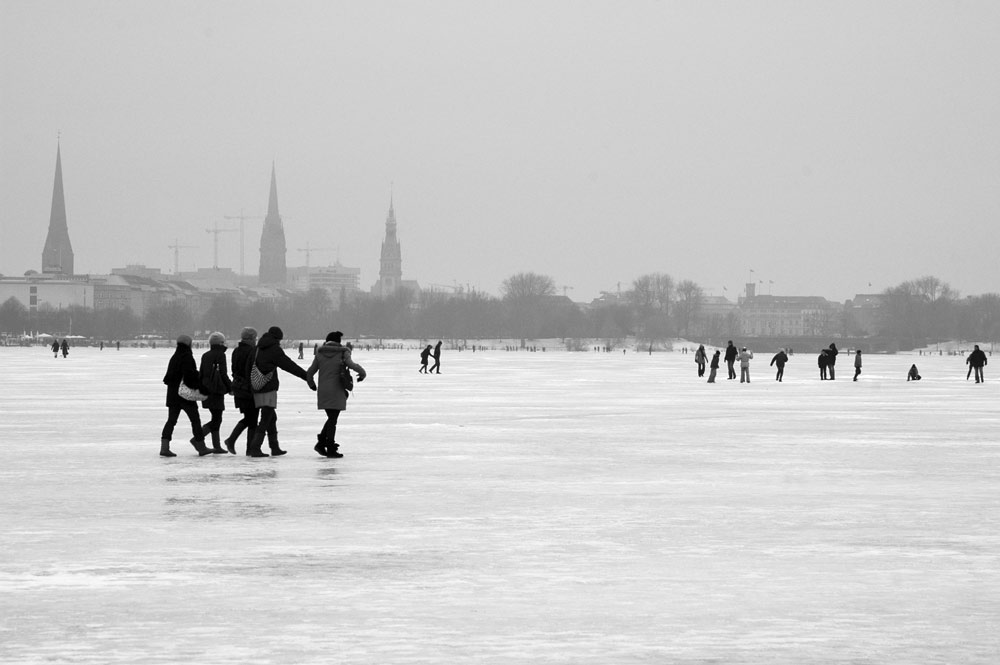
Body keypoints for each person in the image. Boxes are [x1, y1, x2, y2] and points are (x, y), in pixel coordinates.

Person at [245, 326, 312, 457]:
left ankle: (274, 447)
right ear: (277, 338)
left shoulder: (257, 348)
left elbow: (248, 367)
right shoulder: (274, 350)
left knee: (271, 417)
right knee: (266, 417)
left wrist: (251, 386)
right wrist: (307, 377)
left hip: (257, 387)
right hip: (268, 387)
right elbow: (289, 365)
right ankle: (255, 447)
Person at [306, 331, 367, 458]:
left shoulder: (320, 353)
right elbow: (351, 364)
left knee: (331, 418)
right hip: (337, 390)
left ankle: (322, 443)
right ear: (339, 341)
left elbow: (310, 372)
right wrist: (362, 373)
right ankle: (329, 447)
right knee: (333, 419)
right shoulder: (343, 352)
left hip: (323, 390)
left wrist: (311, 384)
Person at [160, 334, 211, 457]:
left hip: (172, 395)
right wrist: (202, 388)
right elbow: (189, 377)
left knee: (171, 421)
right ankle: (201, 446)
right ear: (189, 344)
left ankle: (164, 447)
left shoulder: (174, 357)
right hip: (184, 395)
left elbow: (168, 378)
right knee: (195, 420)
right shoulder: (187, 356)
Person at [224, 327, 259, 455]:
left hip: (238, 387)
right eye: (254, 338)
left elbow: (234, 370)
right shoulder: (252, 351)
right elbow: (251, 371)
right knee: (252, 419)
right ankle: (240, 444)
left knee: (249, 418)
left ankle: (243, 445)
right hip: (248, 389)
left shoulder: (236, 351)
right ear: (250, 339)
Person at [198, 332, 233, 454]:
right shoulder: (220, 355)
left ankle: (216, 445)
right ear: (221, 343)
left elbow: (202, 373)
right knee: (217, 419)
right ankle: (198, 438)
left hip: (207, 390)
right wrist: (230, 388)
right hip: (217, 390)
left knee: (215, 417)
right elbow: (223, 374)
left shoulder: (205, 355)